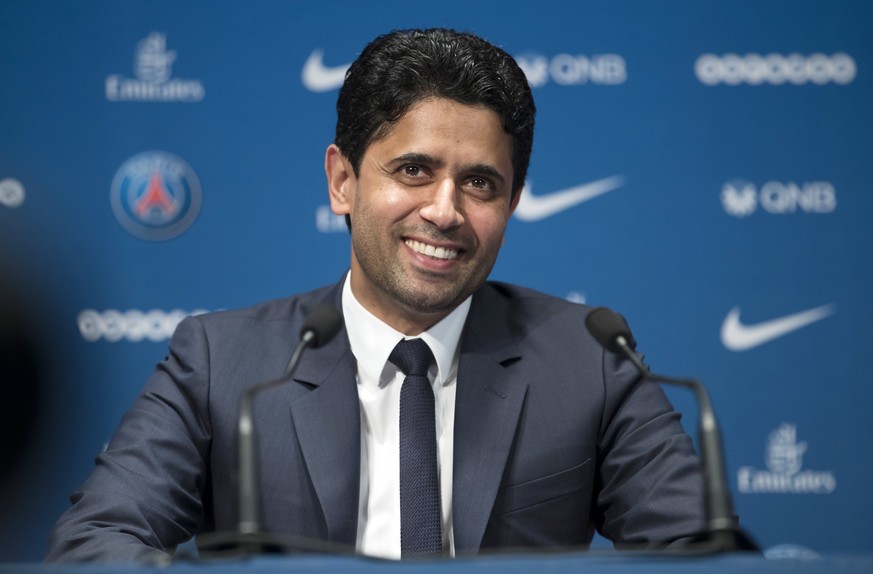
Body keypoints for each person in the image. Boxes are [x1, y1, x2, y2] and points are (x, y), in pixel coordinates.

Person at [46, 28, 704, 563]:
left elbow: (698, 552)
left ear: (512, 203)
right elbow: (94, 542)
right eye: (414, 170)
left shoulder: (588, 356)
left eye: (479, 184)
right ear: (342, 181)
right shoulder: (222, 360)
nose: (444, 211)